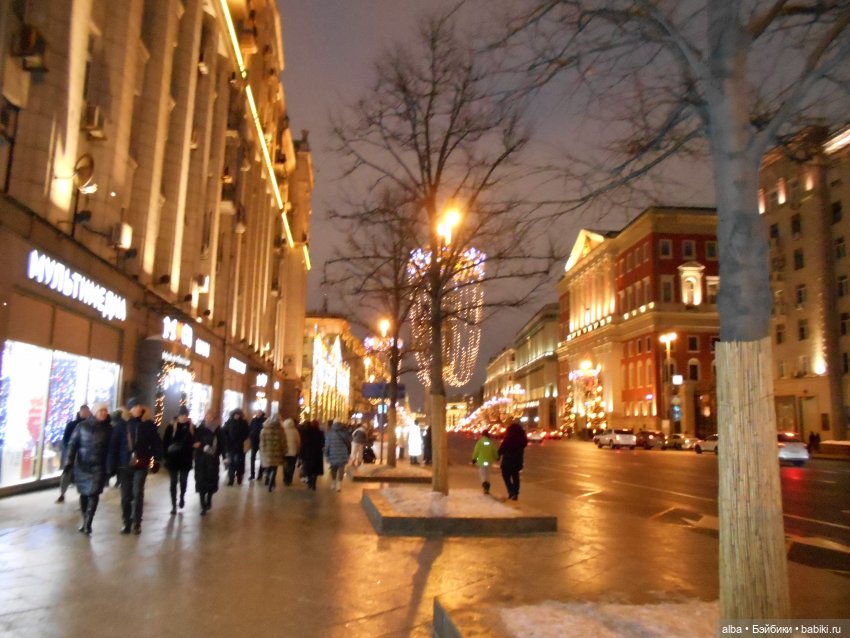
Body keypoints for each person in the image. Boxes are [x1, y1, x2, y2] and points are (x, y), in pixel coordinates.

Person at [107, 398, 162, 534]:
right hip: (124, 465)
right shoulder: (121, 425)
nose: (137, 408)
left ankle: (137, 522)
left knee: (138, 493)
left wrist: (156, 460)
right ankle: (126, 522)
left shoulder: (148, 425)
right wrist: (111, 466)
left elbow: (156, 443)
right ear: (129, 409)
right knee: (126, 496)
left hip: (141, 464)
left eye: (139, 405)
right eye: (134, 406)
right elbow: (113, 446)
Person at [66, 404, 112, 534]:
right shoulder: (81, 426)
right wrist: (69, 461)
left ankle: (88, 523)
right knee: (84, 494)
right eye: (101, 410)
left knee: (93, 494)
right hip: (82, 466)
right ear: (95, 412)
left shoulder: (109, 429)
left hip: (98, 467)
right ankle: (84, 518)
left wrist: (110, 467)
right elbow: (72, 444)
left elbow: (112, 449)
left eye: (105, 410)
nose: (104, 412)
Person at [163, 406, 195, 515]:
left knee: (183, 481)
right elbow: (165, 442)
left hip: (186, 459)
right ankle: (173, 505)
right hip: (173, 459)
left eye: (186, 415)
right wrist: (165, 456)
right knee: (173, 482)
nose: (184, 417)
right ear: (178, 416)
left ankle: (182, 496)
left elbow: (194, 441)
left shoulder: (192, 427)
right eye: (182, 415)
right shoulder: (171, 427)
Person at [57, 404, 90, 503]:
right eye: (84, 412)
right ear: (80, 412)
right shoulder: (72, 425)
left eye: (87, 412)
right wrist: (70, 450)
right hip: (73, 453)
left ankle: (84, 497)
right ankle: (62, 493)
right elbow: (65, 440)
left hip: (84, 454)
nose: (86, 414)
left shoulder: (89, 425)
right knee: (67, 473)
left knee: (82, 475)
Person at [193, 409, 223, 515]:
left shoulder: (218, 430)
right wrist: (202, 446)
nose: (209, 418)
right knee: (201, 480)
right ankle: (202, 504)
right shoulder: (199, 429)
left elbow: (221, 444)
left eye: (211, 417)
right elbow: (195, 442)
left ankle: (209, 498)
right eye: (207, 416)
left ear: (214, 418)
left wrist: (222, 455)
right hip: (201, 459)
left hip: (212, 460)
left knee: (211, 480)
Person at [498, 420, 528, 501]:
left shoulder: (508, 438)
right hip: (518, 461)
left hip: (508, 461)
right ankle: (515, 493)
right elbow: (524, 444)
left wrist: (498, 455)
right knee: (515, 476)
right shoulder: (522, 439)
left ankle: (511, 491)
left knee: (505, 476)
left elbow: (502, 448)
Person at [222, 408, 250, 485]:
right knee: (231, 462)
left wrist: (241, 440)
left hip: (240, 446)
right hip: (231, 446)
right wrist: (227, 441)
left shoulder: (244, 423)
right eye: (235, 414)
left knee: (239, 462)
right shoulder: (229, 422)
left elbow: (246, 433)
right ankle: (231, 478)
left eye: (238, 414)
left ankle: (239, 477)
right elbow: (224, 432)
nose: (237, 416)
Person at [260, 413, 285, 492]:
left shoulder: (264, 429)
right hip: (277, 451)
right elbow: (283, 441)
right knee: (274, 468)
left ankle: (269, 478)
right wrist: (285, 450)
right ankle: (271, 482)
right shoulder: (281, 430)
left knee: (268, 467)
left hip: (267, 451)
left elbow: (262, 441)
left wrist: (262, 450)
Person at [471, 429, 500, 495]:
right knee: (487, 474)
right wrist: (497, 457)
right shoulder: (490, 442)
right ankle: (487, 486)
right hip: (489, 461)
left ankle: (484, 485)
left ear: (482, 435)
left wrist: (474, 459)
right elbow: (494, 451)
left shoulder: (480, 442)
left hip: (481, 461)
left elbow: (476, 451)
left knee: (483, 474)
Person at [324, 421, 351, 491]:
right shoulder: (345, 433)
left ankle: (333, 482)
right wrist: (349, 453)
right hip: (342, 453)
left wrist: (326, 454)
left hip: (332, 453)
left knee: (333, 468)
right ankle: (339, 484)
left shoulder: (330, 433)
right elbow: (349, 444)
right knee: (341, 469)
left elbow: (327, 445)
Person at [299, 420, 325, 491]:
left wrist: (301, 454)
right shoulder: (320, 433)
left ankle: (309, 482)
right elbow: (322, 443)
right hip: (317, 454)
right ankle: (313, 483)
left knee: (309, 469)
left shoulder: (306, 432)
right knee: (315, 470)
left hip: (308, 454)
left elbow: (303, 444)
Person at [282, 417, 301, 486]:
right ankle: (289, 479)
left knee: (285, 465)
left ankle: (285, 478)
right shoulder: (295, 431)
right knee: (292, 465)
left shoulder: (283, 430)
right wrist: (298, 448)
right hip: (293, 451)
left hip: (284, 451)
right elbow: (298, 441)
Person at [248, 409, 266, 481]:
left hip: (262, 442)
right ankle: (252, 474)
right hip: (254, 442)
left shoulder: (265, 420)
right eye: (257, 413)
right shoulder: (253, 420)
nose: (258, 414)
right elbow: (249, 429)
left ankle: (260, 474)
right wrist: (251, 435)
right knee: (252, 458)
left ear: (262, 414)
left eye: (259, 413)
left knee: (262, 458)